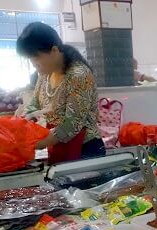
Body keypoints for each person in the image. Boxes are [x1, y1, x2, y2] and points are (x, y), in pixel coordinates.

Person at [16, 22, 105, 163]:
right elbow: (34, 105)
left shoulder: (78, 75)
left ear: (54, 51)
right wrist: (23, 122)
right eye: (30, 59)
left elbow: (72, 125)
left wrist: (35, 144)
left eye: (36, 57)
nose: (34, 64)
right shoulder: (45, 75)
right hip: (58, 146)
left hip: (85, 151)